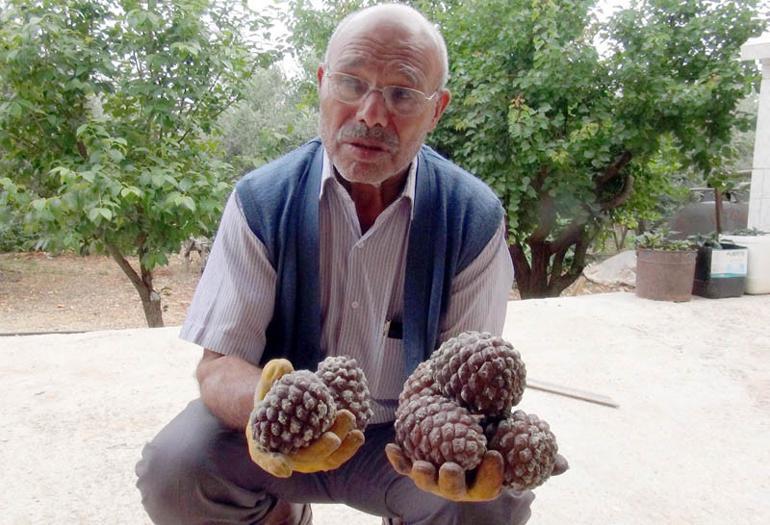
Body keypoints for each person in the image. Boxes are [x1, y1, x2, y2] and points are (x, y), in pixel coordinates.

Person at [136, 4, 545, 524]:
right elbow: (218, 367)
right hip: (289, 435)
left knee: (493, 502)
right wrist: (269, 405)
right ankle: (281, 515)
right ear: (323, 84)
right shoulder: (262, 201)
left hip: (406, 445)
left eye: (401, 94)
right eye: (351, 83)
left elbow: (465, 384)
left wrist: (453, 451)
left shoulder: (472, 216)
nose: (372, 114)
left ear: (436, 109)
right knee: (177, 468)